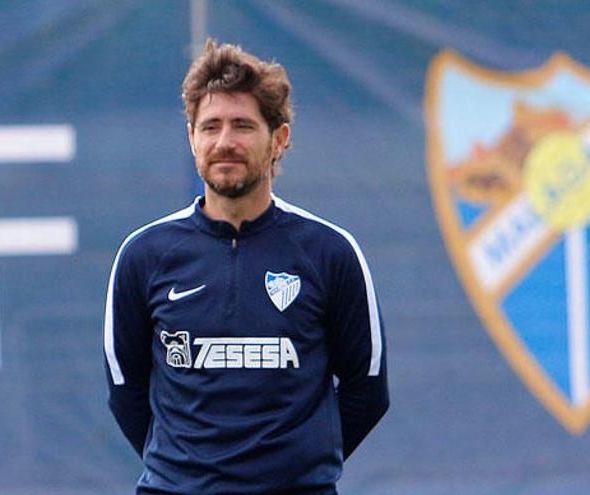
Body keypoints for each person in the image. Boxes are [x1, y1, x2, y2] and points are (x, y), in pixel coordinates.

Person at [104, 38, 389, 495]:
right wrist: (185, 470)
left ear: (279, 140)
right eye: (210, 126)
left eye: (243, 126)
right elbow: (126, 389)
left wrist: (297, 467)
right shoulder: (145, 254)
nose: (225, 142)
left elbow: (367, 390)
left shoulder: (330, 252)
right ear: (191, 138)